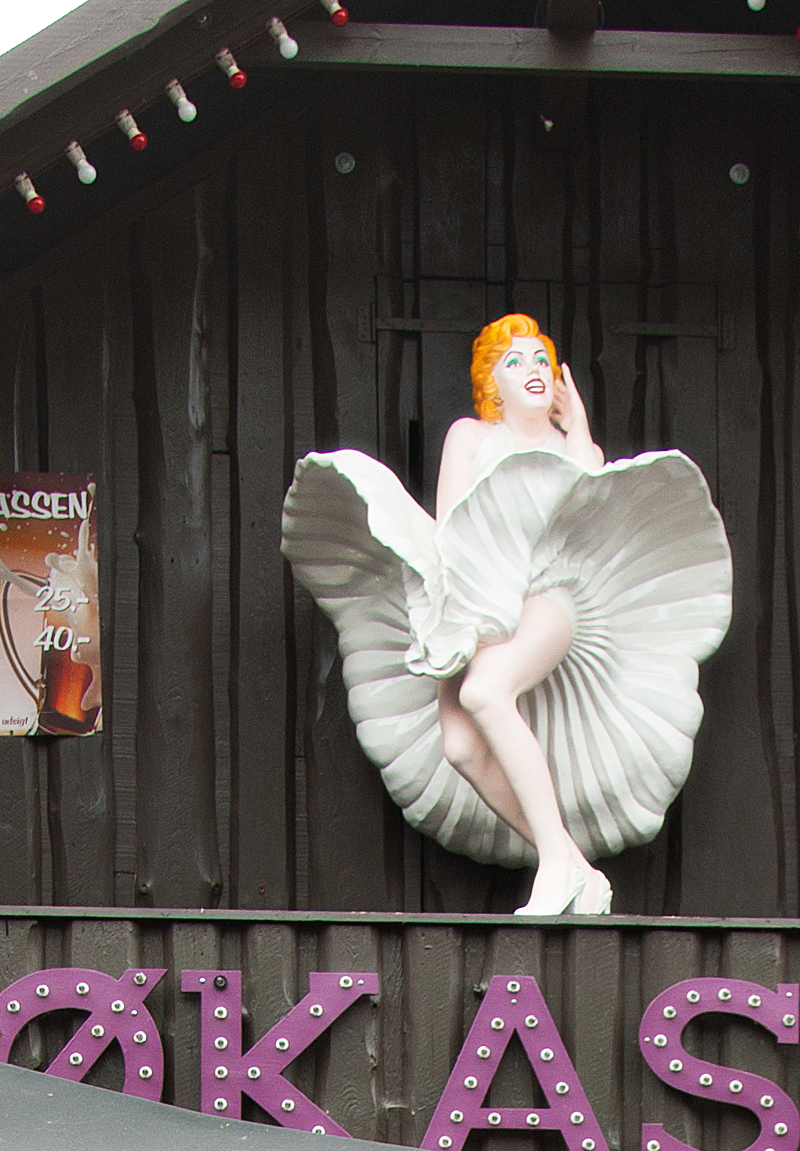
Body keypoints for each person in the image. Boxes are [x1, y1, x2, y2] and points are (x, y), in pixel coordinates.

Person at [279, 308, 738, 917]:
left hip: (551, 595)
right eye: (513, 361)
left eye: (542, 360)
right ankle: (576, 867)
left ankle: (553, 864)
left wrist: (578, 431)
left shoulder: (574, 446)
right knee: (462, 748)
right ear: (490, 381)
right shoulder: (470, 437)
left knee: (487, 692)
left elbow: (588, 526)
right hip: (475, 602)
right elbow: (452, 530)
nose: (532, 370)